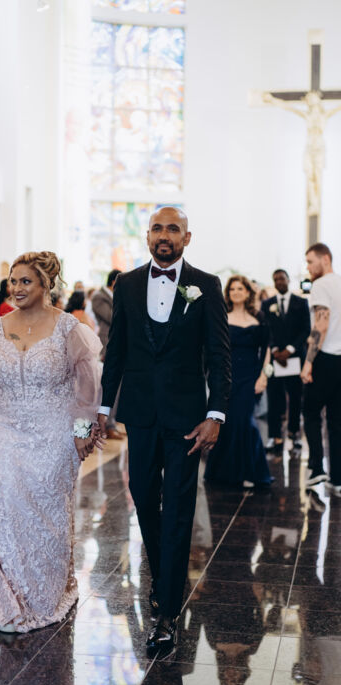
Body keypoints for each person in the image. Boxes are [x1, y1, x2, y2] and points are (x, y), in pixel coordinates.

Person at [98, 207, 231, 654]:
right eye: (157, 227)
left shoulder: (206, 285)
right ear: (147, 235)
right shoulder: (127, 284)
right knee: (142, 497)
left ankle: (167, 613)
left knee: (176, 509)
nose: (164, 235)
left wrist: (216, 414)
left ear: (187, 238)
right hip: (139, 415)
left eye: (173, 229)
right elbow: (116, 350)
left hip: (187, 420)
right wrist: (103, 408)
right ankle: (164, 575)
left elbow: (220, 356)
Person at [0, 251, 103, 633]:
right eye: (13, 281)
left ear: (45, 285)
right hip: (5, 433)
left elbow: (88, 388)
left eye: (25, 281)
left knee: (49, 514)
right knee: (8, 512)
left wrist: (82, 434)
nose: (17, 288)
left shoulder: (68, 328)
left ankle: (48, 593)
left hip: (54, 433)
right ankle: (13, 596)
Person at [205, 275, 272, 491]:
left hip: (251, 377)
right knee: (228, 422)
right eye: (232, 289)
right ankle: (223, 472)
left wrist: (264, 376)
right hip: (227, 376)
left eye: (240, 288)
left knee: (245, 422)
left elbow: (267, 350)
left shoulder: (259, 318)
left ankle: (251, 472)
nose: (235, 292)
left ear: (247, 292)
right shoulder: (222, 316)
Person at [301, 243, 341, 495]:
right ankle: (337, 479)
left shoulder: (321, 285)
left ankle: (317, 468)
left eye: (310, 261)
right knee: (337, 421)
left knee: (311, 412)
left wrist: (308, 362)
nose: (308, 267)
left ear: (325, 259)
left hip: (324, 358)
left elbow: (321, 325)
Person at [262, 269, 310, 453]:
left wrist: (289, 350)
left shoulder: (301, 302)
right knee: (274, 397)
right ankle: (274, 436)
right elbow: (266, 329)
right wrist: (275, 350)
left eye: (281, 278)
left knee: (295, 397)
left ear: (288, 280)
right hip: (275, 358)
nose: (279, 282)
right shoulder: (267, 304)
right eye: (275, 279)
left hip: (295, 357)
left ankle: (294, 433)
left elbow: (306, 329)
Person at [91, 269, 124, 440]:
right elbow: (112, 317)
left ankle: (112, 423)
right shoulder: (99, 297)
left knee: (118, 387)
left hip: (119, 345)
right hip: (106, 345)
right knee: (108, 386)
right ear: (114, 281)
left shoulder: (113, 296)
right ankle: (106, 424)